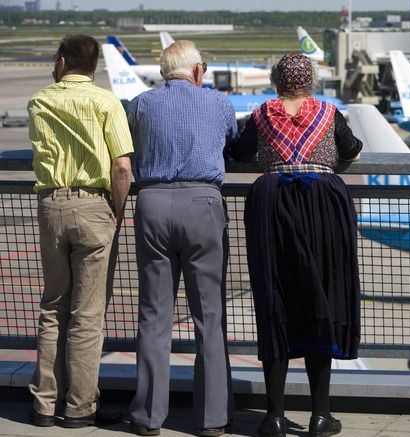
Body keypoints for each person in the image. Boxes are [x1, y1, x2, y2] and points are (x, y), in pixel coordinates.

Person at [231, 53, 362, 437]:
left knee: (275, 299)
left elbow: (238, 152)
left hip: (272, 202)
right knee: (323, 297)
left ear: (276, 81)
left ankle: (273, 416)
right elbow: (351, 149)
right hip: (323, 203)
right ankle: (321, 414)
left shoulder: (262, 113)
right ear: (311, 82)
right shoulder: (328, 112)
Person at [127, 40, 238, 437]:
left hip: (153, 204)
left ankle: (147, 417)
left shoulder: (140, 103)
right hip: (203, 204)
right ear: (196, 72)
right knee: (209, 316)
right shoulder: (219, 103)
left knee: (154, 315)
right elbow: (232, 142)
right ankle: (212, 418)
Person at [27, 34, 133, 428]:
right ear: (93, 66)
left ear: (62, 62)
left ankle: (43, 404)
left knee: (53, 306)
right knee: (87, 315)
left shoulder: (39, 101)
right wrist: (116, 213)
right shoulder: (107, 102)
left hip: (52, 204)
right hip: (94, 205)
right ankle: (80, 407)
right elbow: (121, 165)